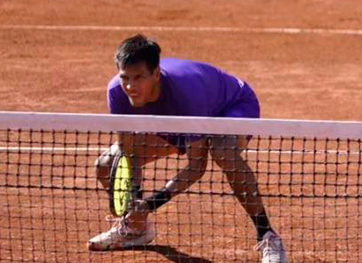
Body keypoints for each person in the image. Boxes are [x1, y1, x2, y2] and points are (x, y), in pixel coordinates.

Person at [87, 35, 286, 263]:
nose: (131, 86)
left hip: (232, 106)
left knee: (222, 151)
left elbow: (196, 167)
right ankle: (137, 229)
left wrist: (151, 203)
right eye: (125, 78)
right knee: (105, 165)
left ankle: (268, 235)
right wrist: (134, 200)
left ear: (156, 74)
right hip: (176, 120)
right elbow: (128, 152)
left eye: (139, 77)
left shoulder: (186, 95)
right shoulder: (116, 92)